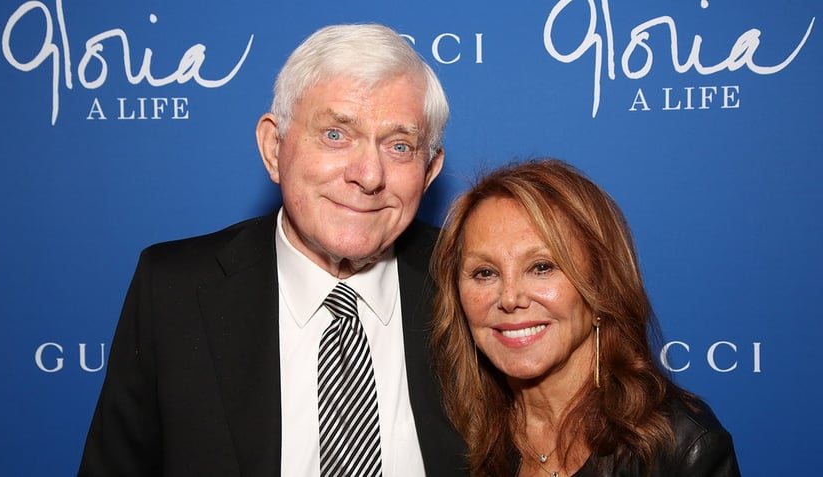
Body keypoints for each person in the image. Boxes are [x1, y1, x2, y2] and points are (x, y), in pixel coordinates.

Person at [78, 23, 466, 476]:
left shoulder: (470, 283)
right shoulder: (173, 291)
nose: (368, 174)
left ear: (430, 169)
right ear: (273, 147)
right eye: (336, 135)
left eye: (399, 146)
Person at [430, 159, 741, 477]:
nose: (509, 298)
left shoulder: (679, 447)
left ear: (601, 284)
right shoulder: (450, 437)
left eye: (542, 267)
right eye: (485, 272)